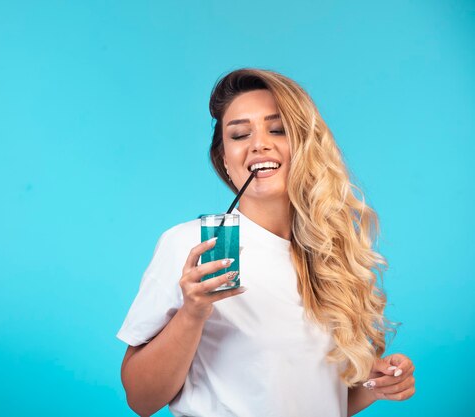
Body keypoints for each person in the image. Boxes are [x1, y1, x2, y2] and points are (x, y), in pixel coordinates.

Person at [116, 68, 415, 417]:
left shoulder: (328, 255)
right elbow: (140, 398)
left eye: (278, 129)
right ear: (225, 160)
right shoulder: (194, 245)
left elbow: (314, 401)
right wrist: (191, 313)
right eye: (240, 134)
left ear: (306, 146)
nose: (259, 143)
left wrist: (374, 386)